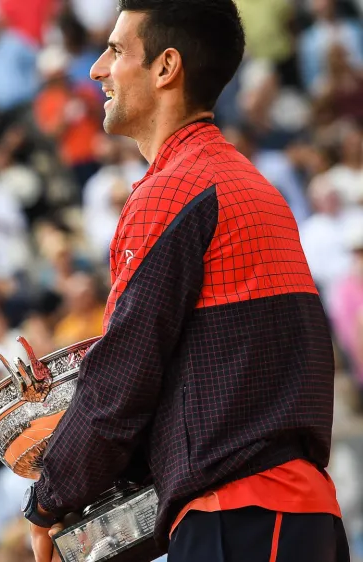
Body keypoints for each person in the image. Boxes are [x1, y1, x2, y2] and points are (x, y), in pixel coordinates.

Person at [20, 1, 349, 561]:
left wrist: (49, 499)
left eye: (117, 50)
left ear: (166, 67)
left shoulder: (172, 193)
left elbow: (119, 384)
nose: (98, 69)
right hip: (297, 513)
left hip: (238, 518)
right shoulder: (250, 184)